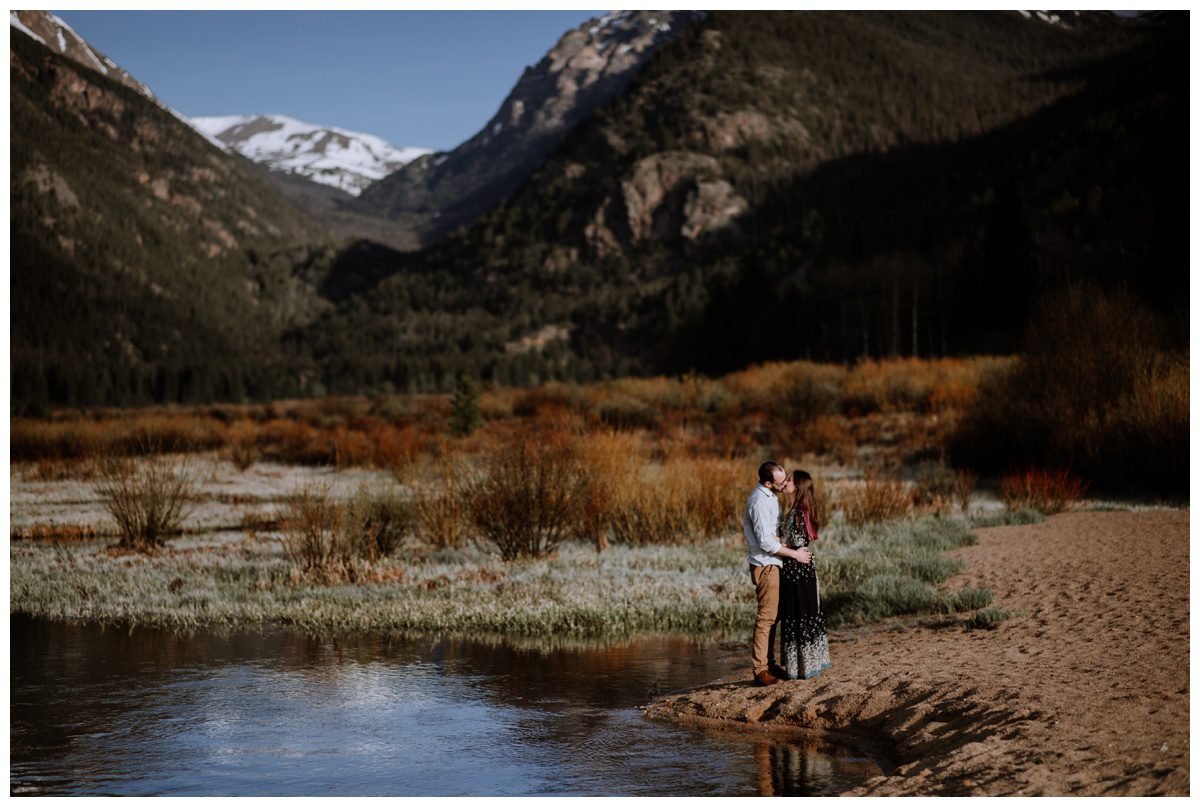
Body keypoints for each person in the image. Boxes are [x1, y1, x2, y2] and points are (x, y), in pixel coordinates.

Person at [743, 461, 812, 687]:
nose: (784, 485)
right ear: (768, 482)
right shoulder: (759, 501)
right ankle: (760, 670)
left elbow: (774, 536)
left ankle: (769, 663)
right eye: (780, 482)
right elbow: (765, 542)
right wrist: (794, 554)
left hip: (776, 562)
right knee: (766, 617)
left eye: (785, 480)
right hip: (766, 564)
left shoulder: (771, 497)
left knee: (775, 616)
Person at [776, 470, 831, 680]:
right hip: (802, 569)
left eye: (789, 480)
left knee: (798, 614)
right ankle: (807, 665)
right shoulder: (799, 509)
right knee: (805, 614)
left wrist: (777, 543)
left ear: (798, 486)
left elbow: (796, 543)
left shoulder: (798, 512)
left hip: (796, 569)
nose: (785, 482)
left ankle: (801, 668)